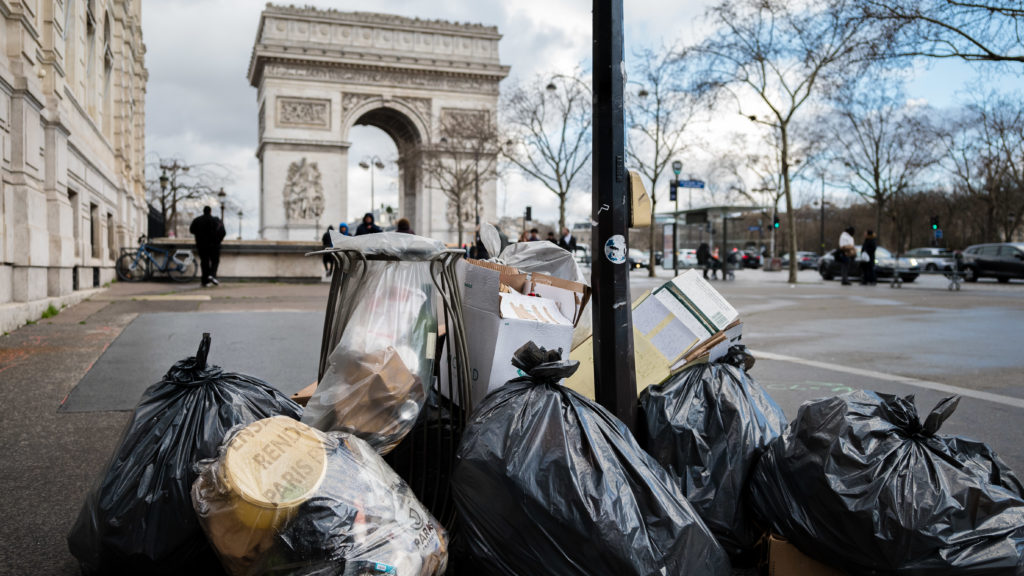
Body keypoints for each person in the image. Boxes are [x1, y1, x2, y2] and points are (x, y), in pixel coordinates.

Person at [189, 206, 226, 287]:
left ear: (203, 211)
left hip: (201, 245)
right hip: (214, 245)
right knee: (215, 261)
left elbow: (191, 230)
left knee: (204, 262)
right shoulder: (216, 220)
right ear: (210, 211)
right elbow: (223, 232)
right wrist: (218, 240)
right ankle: (212, 275)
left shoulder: (197, 220)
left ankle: (205, 281)